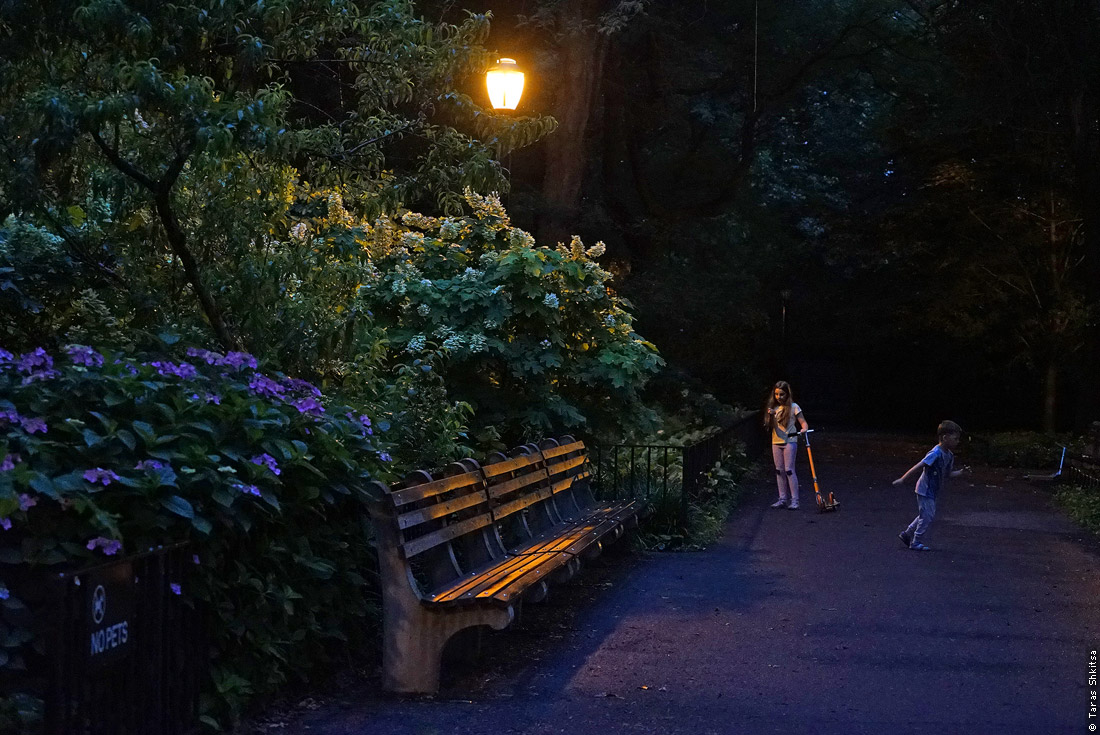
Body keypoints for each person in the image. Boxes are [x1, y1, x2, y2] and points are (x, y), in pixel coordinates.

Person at [892, 420, 966, 551]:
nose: (957, 441)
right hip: (924, 489)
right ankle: (915, 541)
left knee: (925, 514)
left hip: (933, 490)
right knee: (928, 515)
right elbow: (919, 465)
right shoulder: (935, 453)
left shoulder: (949, 455)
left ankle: (907, 534)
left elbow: (947, 474)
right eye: (955, 438)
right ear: (945, 437)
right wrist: (903, 479)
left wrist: (961, 473)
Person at [764, 381, 810, 509]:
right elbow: (772, 426)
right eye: (777, 394)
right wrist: (771, 416)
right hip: (776, 441)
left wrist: (803, 429)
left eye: (782, 394)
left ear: (787, 394)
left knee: (789, 470)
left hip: (789, 441)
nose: (779, 397)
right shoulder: (775, 409)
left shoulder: (794, 407)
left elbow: (803, 423)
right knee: (779, 470)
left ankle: (795, 500)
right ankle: (782, 498)